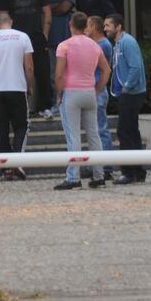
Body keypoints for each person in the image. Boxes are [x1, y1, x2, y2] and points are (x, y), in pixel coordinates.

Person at [53, 12, 110, 190]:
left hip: (71, 92)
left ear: (70, 25)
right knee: (94, 135)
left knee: (73, 136)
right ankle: (99, 175)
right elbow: (106, 70)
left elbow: (59, 74)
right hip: (89, 92)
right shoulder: (95, 46)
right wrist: (98, 88)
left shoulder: (64, 46)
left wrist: (59, 93)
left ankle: (73, 177)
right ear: (86, 26)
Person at [0, 13, 34, 180]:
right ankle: (17, 160)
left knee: (0, 128)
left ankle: (5, 167)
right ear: (11, 22)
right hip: (17, 87)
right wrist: (29, 85)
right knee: (21, 125)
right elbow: (29, 66)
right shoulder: (23, 37)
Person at [0, 0, 51, 115]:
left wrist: (45, 33)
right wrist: (5, 35)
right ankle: (19, 107)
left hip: (36, 37)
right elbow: (3, 16)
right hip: (15, 38)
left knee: (42, 70)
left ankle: (45, 106)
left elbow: (47, 12)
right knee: (16, 71)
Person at [104, 13, 147, 185]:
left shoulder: (127, 42)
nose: (105, 28)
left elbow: (135, 67)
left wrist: (126, 88)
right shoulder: (118, 43)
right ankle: (138, 171)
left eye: (108, 25)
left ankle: (129, 172)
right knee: (132, 132)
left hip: (132, 93)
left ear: (118, 26)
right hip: (129, 92)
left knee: (124, 131)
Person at [42, 0, 75, 119]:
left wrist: (50, 9)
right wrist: (55, 7)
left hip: (66, 38)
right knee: (53, 74)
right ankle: (56, 103)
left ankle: (66, 103)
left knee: (67, 72)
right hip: (52, 39)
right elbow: (44, 9)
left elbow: (64, 8)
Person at [85, 15, 115, 178]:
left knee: (100, 129)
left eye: (88, 26)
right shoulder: (99, 44)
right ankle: (99, 165)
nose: (86, 29)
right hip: (95, 89)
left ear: (94, 27)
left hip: (98, 90)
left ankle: (106, 166)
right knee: (96, 129)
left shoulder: (102, 45)